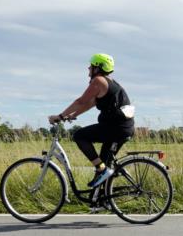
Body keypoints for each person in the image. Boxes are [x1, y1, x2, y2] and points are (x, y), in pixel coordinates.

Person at [48, 53, 135, 188]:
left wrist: (59, 116)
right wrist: (72, 115)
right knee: (104, 163)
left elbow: (81, 101)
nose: (88, 68)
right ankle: (101, 200)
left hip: (116, 128)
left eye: (91, 66)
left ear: (98, 67)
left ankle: (102, 170)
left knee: (79, 136)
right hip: (122, 127)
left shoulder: (98, 81)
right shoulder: (110, 82)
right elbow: (91, 103)